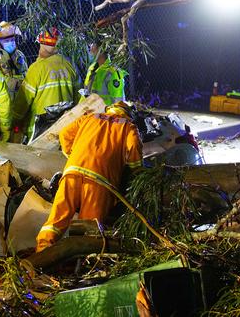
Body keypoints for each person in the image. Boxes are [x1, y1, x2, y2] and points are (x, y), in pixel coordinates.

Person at [35, 101, 142, 252]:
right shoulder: (128, 127)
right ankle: (82, 263)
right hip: (100, 182)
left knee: (57, 219)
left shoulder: (90, 117)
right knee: (89, 228)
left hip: (72, 173)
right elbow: (134, 159)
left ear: (109, 109)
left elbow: (65, 134)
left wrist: (73, 156)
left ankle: (42, 252)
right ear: (127, 114)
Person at [12, 27, 80, 140]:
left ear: (41, 44)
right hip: (66, 125)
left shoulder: (37, 68)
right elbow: (78, 96)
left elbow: (23, 102)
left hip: (40, 128)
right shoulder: (69, 65)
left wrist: (13, 121)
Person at [80, 41, 128, 105]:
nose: (90, 51)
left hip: (106, 113)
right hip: (90, 113)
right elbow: (86, 93)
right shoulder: (91, 69)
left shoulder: (113, 72)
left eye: (93, 49)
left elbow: (118, 101)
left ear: (101, 50)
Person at [0, 21, 28, 100]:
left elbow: (26, 73)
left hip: (21, 100)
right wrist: (18, 83)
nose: (10, 42)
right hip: (5, 100)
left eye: (12, 39)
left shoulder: (20, 55)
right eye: (6, 40)